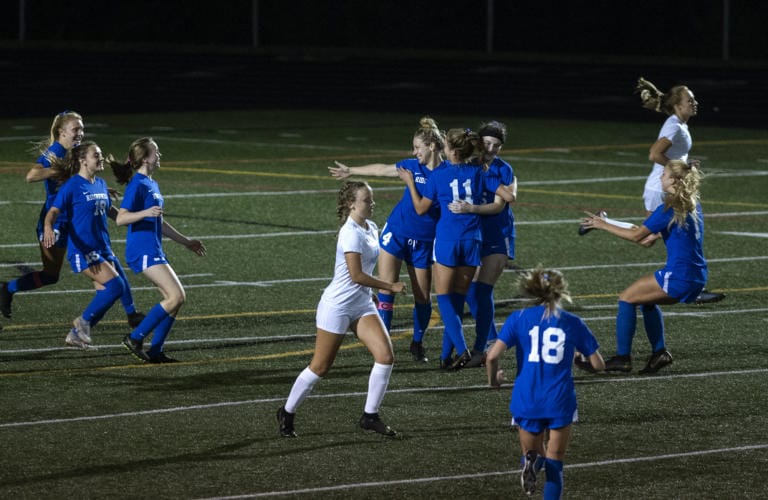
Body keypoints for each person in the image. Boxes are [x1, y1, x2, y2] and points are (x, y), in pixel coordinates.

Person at [277, 181, 406, 438]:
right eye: (367, 200)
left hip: (361, 303)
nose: (372, 204)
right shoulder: (350, 233)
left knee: (385, 356)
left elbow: (370, 269)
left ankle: (370, 416)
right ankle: (287, 411)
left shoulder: (371, 227)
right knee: (321, 367)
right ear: (351, 204)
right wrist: (388, 286)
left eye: (372, 199)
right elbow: (356, 275)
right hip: (337, 306)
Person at [578, 77, 723, 305]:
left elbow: (672, 155)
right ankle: (688, 285)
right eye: (690, 100)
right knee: (648, 238)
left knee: (652, 237)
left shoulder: (679, 124)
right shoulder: (674, 125)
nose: (695, 103)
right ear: (677, 105)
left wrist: (683, 165)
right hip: (661, 187)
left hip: (665, 183)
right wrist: (677, 172)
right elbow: (654, 154)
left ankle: (688, 284)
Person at [0, 111, 145, 327]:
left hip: (76, 220)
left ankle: (130, 314)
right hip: (56, 222)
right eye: (76, 129)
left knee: (107, 259)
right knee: (51, 275)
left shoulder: (75, 150)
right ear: (61, 132)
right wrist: (59, 169)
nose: (80, 133)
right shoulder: (56, 151)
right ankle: (7, 289)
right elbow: (31, 176)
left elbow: (79, 180)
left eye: (82, 128)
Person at [328, 116, 446, 363]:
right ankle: (384, 343)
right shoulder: (412, 166)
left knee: (423, 297)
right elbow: (383, 168)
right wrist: (351, 170)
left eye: (417, 148)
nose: (414, 153)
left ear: (432, 147)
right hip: (397, 232)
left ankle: (417, 342)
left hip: (424, 241)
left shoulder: (446, 173)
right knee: (385, 288)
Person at [397, 128, 515, 370]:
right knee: (459, 298)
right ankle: (445, 356)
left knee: (444, 300)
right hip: (473, 240)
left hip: (448, 240)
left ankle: (461, 350)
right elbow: (508, 197)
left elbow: (420, 208)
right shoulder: (479, 172)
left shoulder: (438, 175)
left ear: (450, 150)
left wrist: (410, 182)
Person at [486, 266, 604, 498]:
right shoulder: (572, 322)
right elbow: (599, 365)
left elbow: (491, 356)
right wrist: (579, 359)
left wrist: (494, 380)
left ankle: (532, 462)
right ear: (561, 291)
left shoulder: (518, 318)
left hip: (526, 396)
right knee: (556, 463)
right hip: (559, 399)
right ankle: (540, 465)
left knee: (532, 451)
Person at [580, 159, 707, 374]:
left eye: (664, 174)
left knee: (627, 298)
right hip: (697, 275)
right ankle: (659, 353)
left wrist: (602, 225)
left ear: (674, 180)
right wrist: (610, 223)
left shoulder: (669, 207)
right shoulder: (690, 203)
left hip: (679, 275)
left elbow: (638, 236)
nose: (660, 177)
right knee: (646, 301)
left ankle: (622, 358)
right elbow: (647, 238)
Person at [109, 138, 206, 363]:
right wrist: (144, 214)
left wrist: (186, 241)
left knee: (172, 300)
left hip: (154, 248)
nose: (159, 155)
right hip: (142, 250)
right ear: (144, 158)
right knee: (177, 296)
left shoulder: (151, 183)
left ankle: (156, 350)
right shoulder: (138, 184)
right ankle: (134, 338)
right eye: (156, 152)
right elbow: (121, 218)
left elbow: (159, 222)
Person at [41, 141, 130, 348]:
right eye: (95, 155)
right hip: (83, 250)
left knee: (106, 295)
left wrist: (134, 220)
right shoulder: (72, 186)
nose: (100, 158)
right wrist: (47, 227)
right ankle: (82, 323)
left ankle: (75, 335)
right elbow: (53, 212)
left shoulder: (99, 183)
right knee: (116, 286)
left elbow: (111, 212)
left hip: (102, 248)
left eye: (100, 154)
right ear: (83, 160)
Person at [446, 120, 517, 367]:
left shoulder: (502, 169)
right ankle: (485, 342)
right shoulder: (469, 165)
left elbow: (504, 201)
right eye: (487, 143)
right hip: (473, 234)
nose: (491, 148)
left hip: (498, 234)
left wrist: (472, 207)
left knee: (482, 290)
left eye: (496, 145)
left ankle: (487, 344)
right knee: (469, 291)